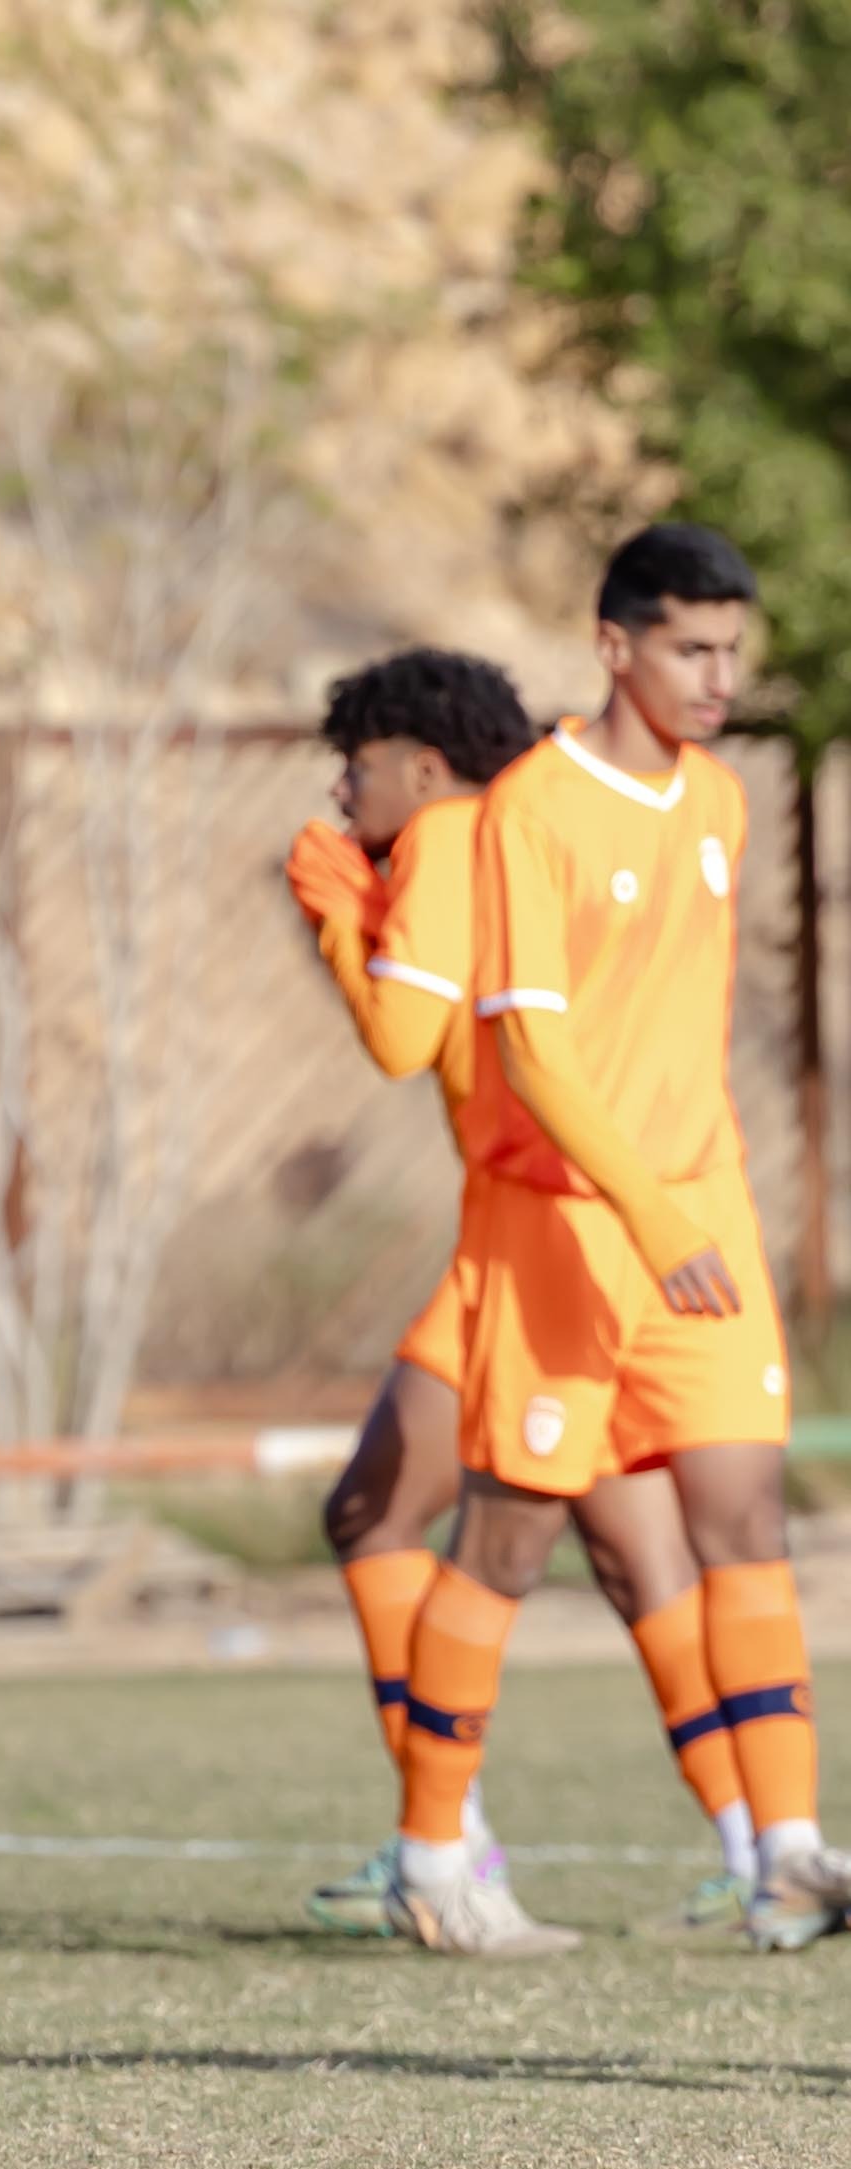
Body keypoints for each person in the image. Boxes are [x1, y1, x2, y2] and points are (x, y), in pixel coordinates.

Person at [388, 522, 851, 1953]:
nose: (716, 679)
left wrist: (689, 1206)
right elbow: (526, 1050)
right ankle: (425, 1853)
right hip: (571, 1236)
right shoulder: (527, 808)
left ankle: (784, 1850)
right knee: (513, 1539)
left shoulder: (716, 798)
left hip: (699, 1225)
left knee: (740, 1518)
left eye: (730, 653)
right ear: (614, 644)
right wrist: (643, 1213)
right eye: (689, 649)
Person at [280, 649, 751, 1946]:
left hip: (530, 1232)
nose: (341, 789)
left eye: (356, 766)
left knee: (385, 1512)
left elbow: (400, 1038)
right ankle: (755, 1846)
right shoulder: (538, 811)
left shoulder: (440, 829)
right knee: (634, 1543)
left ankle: (448, 1852)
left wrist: (332, 907)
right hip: (614, 1208)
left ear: (421, 764)